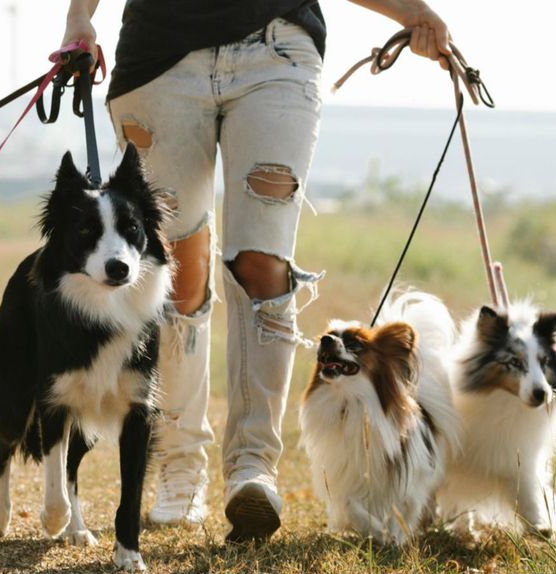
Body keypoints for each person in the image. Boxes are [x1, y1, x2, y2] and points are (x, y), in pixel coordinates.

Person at [61, 0, 453, 541]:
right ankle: (179, 461)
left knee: (263, 262)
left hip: (278, 52)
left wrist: (412, 12)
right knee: (175, 267)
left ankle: (252, 465)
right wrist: (79, 18)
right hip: (159, 56)